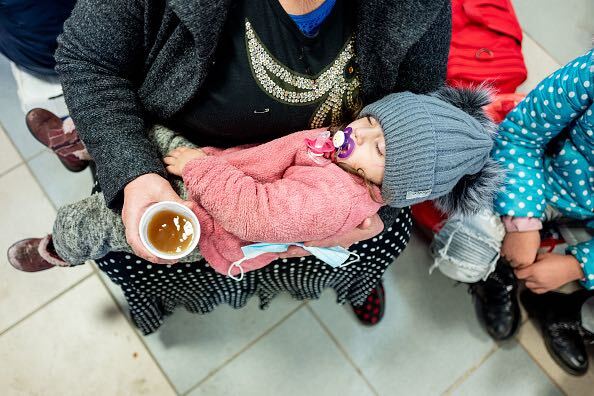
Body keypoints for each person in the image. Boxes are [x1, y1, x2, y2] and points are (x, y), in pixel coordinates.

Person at [47, 0, 452, 332]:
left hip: (341, 189)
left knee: (381, 241)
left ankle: (349, 284)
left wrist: (365, 210)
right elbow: (89, 58)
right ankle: (156, 301)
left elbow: (422, 125)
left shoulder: (416, 7)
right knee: (139, 251)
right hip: (177, 168)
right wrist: (134, 172)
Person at [10, 87, 499, 281]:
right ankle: (83, 141)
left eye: (380, 148)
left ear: (398, 185)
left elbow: (258, 214)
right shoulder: (350, 161)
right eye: (371, 123)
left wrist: (199, 170)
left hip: (209, 218)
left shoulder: (334, 197)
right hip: (224, 171)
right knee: (142, 125)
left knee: (111, 223)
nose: (357, 134)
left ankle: (61, 246)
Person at [432, 49, 594, 375]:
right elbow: (523, 132)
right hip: (542, 178)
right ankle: (496, 277)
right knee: (467, 238)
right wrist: (523, 222)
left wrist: (579, 264)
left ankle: (560, 309)